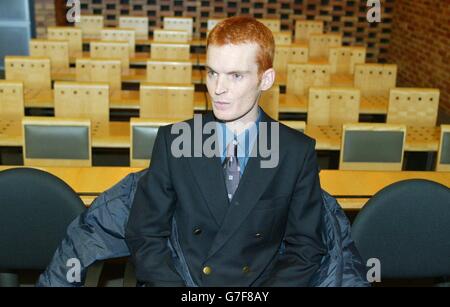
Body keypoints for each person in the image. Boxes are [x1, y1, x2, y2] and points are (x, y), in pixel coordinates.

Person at [125, 16, 327, 287]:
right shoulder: (175, 140)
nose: (218, 89)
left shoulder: (295, 151)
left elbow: (305, 248)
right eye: (212, 73)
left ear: (265, 79)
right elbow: (145, 234)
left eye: (235, 75)